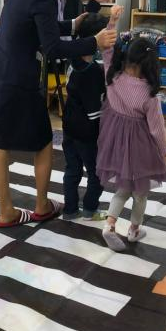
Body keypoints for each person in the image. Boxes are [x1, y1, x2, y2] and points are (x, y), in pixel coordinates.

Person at [0, 0, 118, 228]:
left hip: (0, 75)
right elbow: (52, 47)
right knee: (43, 142)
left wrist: (72, 24)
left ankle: (6, 212)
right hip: (20, 81)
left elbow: (38, 26)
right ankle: (42, 207)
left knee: (0, 146)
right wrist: (94, 42)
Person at [96, 11, 166, 251]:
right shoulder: (149, 95)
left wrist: (112, 22)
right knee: (140, 192)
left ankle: (109, 225)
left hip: (114, 142)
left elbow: (107, 49)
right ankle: (134, 229)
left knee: (123, 188)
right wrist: (165, 153)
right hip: (139, 147)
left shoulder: (113, 75)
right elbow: (157, 130)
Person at [61, 11, 110, 222]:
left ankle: (70, 210)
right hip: (87, 132)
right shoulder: (92, 73)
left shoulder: (73, 60)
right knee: (97, 173)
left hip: (69, 125)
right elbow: (94, 112)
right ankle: (90, 209)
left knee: (72, 170)